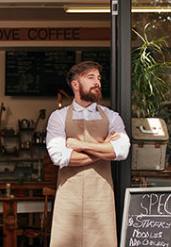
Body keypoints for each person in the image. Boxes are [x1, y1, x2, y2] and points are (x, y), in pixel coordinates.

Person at [46, 61, 130, 247]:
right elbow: (60, 157)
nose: (97, 82)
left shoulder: (112, 116)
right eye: (90, 77)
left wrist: (80, 144)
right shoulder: (58, 117)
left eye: (99, 78)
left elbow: (122, 151)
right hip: (69, 201)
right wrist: (104, 147)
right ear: (75, 85)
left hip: (101, 201)